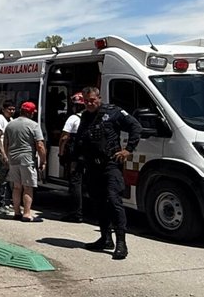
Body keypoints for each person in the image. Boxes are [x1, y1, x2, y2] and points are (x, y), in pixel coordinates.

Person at [72, 85, 143, 259]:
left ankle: (121, 243)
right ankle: (105, 238)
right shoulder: (85, 116)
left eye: (92, 100)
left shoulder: (113, 112)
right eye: (86, 101)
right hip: (92, 166)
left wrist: (128, 150)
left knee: (114, 201)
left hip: (110, 164)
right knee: (98, 203)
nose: (89, 104)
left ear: (99, 98)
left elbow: (136, 127)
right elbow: (81, 139)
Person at [3, 100, 47, 222]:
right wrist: (43, 161)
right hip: (27, 160)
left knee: (16, 187)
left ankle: (17, 212)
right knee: (28, 187)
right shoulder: (33, 125)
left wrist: (7, 157)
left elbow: (6, 143)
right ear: (30, 113)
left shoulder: (10, 125)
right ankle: (27, 214)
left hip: (13, 159)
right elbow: (40, 145)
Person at [58, 91, 87, 223]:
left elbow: (64, 137)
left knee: (75, 182)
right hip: (89, 155)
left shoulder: (73, 118)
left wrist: (61, 153)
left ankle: (76, 213)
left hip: (76, 155)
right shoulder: (92, 117)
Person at [0, 100, 17, 215]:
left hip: (10, 153)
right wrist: (3, 153)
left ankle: (8, 203)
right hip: (1, 154)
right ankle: (1, 204)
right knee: (3, 180)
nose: (12, 111)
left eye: (13, 109)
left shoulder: (10, 120)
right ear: (3, 109)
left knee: (10, 180)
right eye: (9, 109)